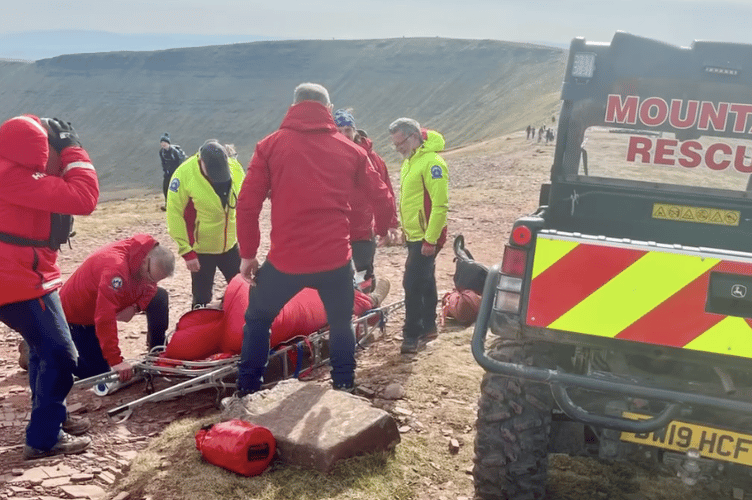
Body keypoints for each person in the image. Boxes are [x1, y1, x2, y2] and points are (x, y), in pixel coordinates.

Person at [235, 82, 396, 395]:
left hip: (285, 261)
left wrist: (249, 254)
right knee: (340, 322)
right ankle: (344, 383)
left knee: (258, 317)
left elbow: (247, 204)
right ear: (328, 109)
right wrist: (386, 225)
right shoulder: (352, 150)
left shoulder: (269, 146)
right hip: (334, 260)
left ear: (294, 105)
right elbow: (381, 194)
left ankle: (247, 389)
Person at [0, 114, 99, 459]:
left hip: (28, 274)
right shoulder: (13, 177)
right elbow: (85, 197)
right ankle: (44, 439)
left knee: (43, 349)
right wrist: (73, 149)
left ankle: (52, 415)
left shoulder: (11, 168)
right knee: (61, 353)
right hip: (19, 282)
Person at [59, 235, 175, 382]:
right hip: (79, 315)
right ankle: (47, 352)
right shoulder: (116, 269)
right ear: (145, 261)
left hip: (110, 300)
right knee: (98, 372)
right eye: (150, 277)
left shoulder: (143, 259)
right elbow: (104, 316)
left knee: (159, 296)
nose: (151, 283)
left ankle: (157, 352)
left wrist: (136, 307)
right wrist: (116, 360)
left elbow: (151, 287)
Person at [388, 118, 449, 354]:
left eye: (399, 142)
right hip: (415, 234)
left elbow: (440, 205)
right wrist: (407, 231)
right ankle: (428, 326)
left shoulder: (433, 163)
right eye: (394, 144)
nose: (397, 148)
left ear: (413, 137)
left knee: (411, 283)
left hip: (427, 235)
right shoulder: (410, 162)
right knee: (425, 279)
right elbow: (412, 201)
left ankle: (411, 335)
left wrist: (430, 239)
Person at [166, 140, 245, 308]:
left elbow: (245, 202)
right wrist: (186, 252)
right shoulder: (183, 175)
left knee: (244, 289)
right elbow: (174, 215)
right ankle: (199, 329)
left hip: (230, 245)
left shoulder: (235, 168)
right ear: (202, 162)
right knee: (202, 299)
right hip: (201, 251)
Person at [332, 108, 399, 292]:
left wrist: (390, 223)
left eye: (348, 130)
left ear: (355, 131)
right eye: (339, 130)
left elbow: (385, 190)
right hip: (334, 231)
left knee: (364, 276)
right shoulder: (326, 156)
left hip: (362, 230)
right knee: (337, 277)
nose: (344, 135)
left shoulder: (372, 158)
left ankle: (369, 316)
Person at [159, 133, 186, 210]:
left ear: (168, 143)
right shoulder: (162, 152)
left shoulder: (174, 152)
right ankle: (168, 204)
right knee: (166, 187)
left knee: (177, 189)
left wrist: (179, 173)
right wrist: (165, 171)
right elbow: (163, 162)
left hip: (176, 172)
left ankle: (179, 205)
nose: (163, 144)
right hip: (168, 173)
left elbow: (180, 162)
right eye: (161, 143)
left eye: (164, 142)